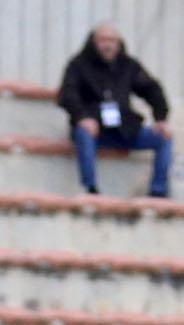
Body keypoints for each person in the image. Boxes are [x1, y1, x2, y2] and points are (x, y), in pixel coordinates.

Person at [56, 23, 173, 198]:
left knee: (163, 137)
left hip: (123, 130)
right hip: (94, 130)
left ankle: (158, 190)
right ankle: (90, 188)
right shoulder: (78, 65)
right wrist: (82, 117)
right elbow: (67, 94)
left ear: (119, 43)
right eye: (103, 40)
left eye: (112, 41)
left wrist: (161, 118)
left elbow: (152, 89)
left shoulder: (128, 66)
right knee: (83, 133)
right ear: (93, 42)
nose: (108, 45)